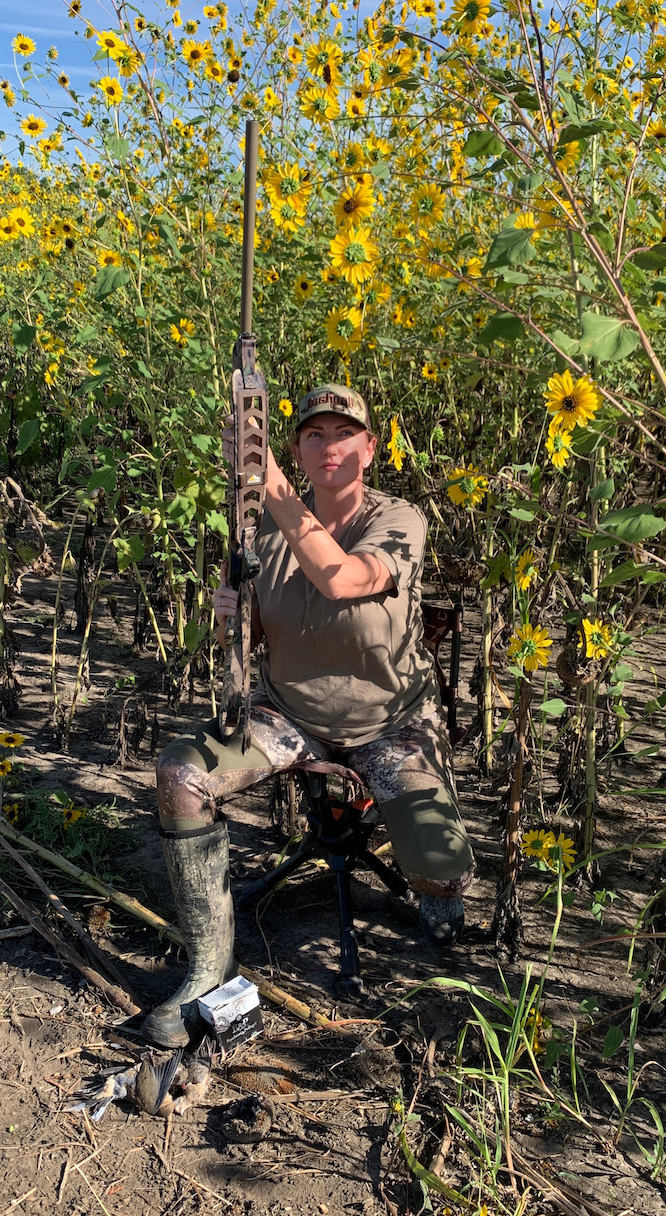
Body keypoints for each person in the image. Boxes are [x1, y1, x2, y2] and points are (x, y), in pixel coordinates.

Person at [141, 384, 474, 1048]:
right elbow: (252, 635)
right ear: (297, 447)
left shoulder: (399, 521)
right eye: (313, 435)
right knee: (182, 774)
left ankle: (436, 882)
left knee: (439, 867)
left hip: (391, 720)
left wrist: (276, 490)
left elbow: (343, 579)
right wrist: (230, 616)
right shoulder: (262, 527)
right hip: (289, 711)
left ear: (370, 450)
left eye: (344, 434)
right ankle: (208, 967)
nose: (329, 447)